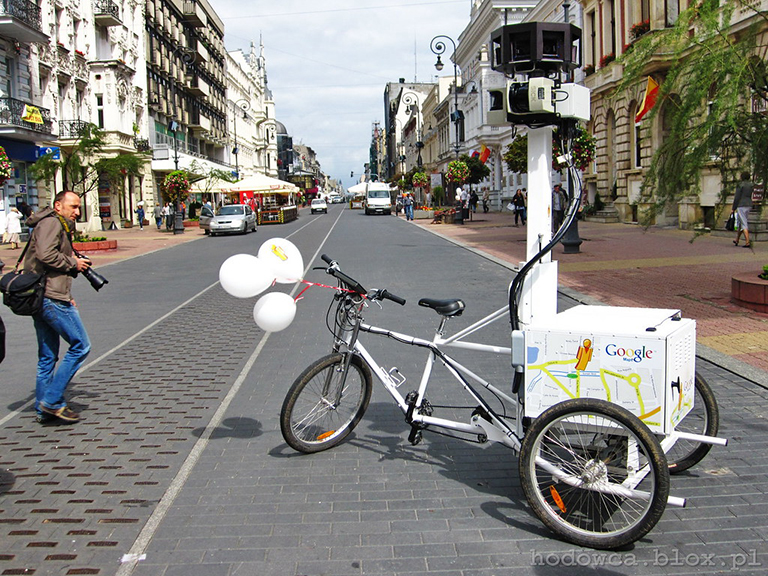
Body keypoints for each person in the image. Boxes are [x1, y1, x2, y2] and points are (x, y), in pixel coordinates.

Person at [24, 191, 92, 423]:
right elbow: (45, 255)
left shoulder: (48, 222)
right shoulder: (52, 223)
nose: (77, 211)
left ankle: (43, 409)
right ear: (58, 205)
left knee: (47, 356)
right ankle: (51, 401)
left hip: (44, 294)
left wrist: (68, 293)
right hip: (50, 296)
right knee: (81, 345)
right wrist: (74, 262)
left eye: (78, 207)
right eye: (73, 206)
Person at [732, 171, 754, 248]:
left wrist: (733, 208)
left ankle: (747, 242)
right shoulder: (751, 185)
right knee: (741, 222)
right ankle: (737, 239)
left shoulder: (740, 185)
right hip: (749, 204)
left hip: (741, 205)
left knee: (743, 223)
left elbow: (737, 197)